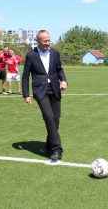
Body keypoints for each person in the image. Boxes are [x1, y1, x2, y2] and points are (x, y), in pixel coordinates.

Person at [22, 30, 68, 161]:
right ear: (38, 41)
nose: (48, 43)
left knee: (56, 119)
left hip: (55, 89)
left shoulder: (55, 53)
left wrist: (64, 80)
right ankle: (56, 149)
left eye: (49, 40)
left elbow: (59, 69)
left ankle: (49, 146)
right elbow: (25, 76)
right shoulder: (31, 55)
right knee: (48, 117)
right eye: (45, 41)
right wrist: (26, 94)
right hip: (40, 90)